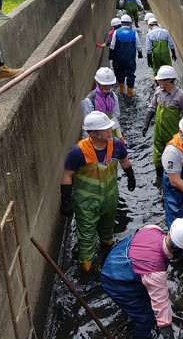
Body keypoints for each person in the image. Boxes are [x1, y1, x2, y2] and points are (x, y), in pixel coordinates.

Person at [60, 111, 136, 271]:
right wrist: (66, 201)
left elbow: (124, 160)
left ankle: (107, 252)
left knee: (107, 230)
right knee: (87, 237)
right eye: (105, 129)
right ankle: (86, 270)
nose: (110, 131)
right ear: (92, 133)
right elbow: (67, 175)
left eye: (109, 127)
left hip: (110, 198)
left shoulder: (116, 144)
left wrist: (131, 176)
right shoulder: (78, 152)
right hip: (86, 203)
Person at [101, 217, 183, 339]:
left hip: (112, 260)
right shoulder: (156, 272)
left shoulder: (153, 228)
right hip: (114, 281)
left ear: (170, 231)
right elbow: (161, 303)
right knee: (145, 317)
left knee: (144, 298)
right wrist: (167, 330)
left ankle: (130, 312)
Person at [143, 66, 183, 183]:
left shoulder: (181, 96)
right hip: (159, 132)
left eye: (160, 80)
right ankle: (160, 179)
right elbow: (152, 108)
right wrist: (146, 124)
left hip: (173, 134)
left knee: (175, 156)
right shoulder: (158, 92)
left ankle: (176, 180)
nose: (157, 81)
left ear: (168, 81)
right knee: (157, 156)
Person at [81, 67, 123, 143]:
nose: (108, 87)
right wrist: (87, 143)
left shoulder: (113, 95)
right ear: (97, 82)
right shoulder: (89, 101)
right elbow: (87, 127)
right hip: (97, 134)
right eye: (105, 85)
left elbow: (115, 116)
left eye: (110, 85)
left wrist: (119, 135)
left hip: (110, 131)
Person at [110, 14, 143, 96]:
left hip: (119, 59)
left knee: (120, 72)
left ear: (121, 24)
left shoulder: (116, 32)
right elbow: (139, 46)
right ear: (130, 24)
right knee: (131, 74)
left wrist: (111, 56)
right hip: (130, 59)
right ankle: (130, 91)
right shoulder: (134, 33)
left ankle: (121, 88)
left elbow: (112, 46)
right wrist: (140, 54)